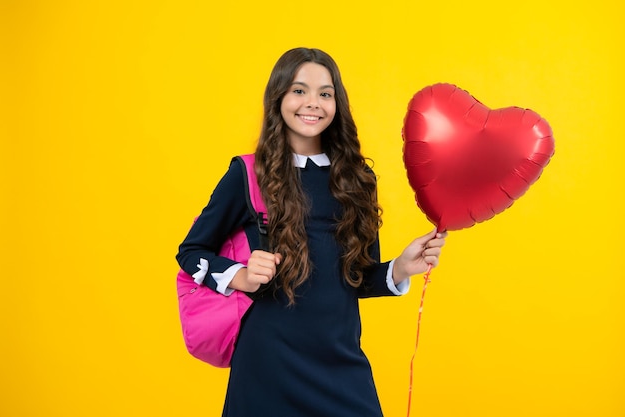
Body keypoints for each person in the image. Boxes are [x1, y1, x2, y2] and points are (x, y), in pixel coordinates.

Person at [176, 47, 447, 417]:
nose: (312, 103)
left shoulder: (358, 181)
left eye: (325, 93)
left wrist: (399, 268)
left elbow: (359, 278)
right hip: (267, 365)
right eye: (299, 90)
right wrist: (239, 275)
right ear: (279, 97)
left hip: (340, 361)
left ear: (338, 103)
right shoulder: (247, 174)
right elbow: (191, 252)